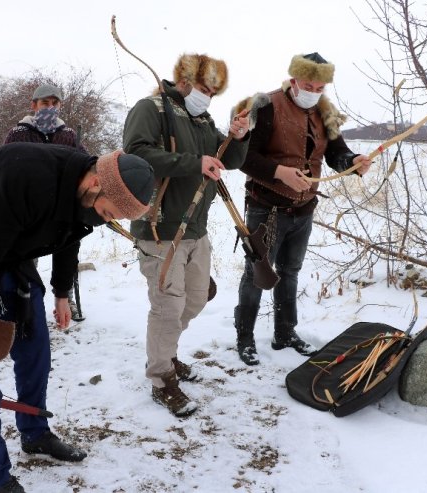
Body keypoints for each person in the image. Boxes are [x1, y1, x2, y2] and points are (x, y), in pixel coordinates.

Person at [0, 143, 154, 493]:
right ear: (96, 182)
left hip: (6, 254)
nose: (105, 220)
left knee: (35, 348)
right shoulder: (28, 178)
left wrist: (62, 292)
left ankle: (35, 433)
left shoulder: (82, 191)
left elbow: (71, 234)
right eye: (109, 212)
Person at [123, 53, 251, 417]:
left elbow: (230, 158)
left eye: (214, 91)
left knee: (195, 298)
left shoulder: (204, 120)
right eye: (204, 87)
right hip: (160, 229)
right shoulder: (151, 109)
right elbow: (136, 154)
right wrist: (194, 164)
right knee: (167, 307)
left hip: (196, 228)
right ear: (184, 80)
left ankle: (166, 352)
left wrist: (239, 137)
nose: (208, 95)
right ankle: (162, 378)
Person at [234, 52, 372, 366]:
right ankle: (244, 339)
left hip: (304, 209)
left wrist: (352, 163)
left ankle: (285, 333)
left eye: (321, 88)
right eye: (309, 85)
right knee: (257, 274)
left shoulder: (325, 113)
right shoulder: (266, 106)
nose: (314, 92)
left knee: (290, 273)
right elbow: (243, 157)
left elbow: (337, 152)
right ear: (294, 80)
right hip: (265, 208)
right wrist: (279, 173)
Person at [4, 83, 88, 322]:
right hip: (29, 211)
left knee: (68, 255)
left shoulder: (70, 136)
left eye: (54, 103)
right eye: (44, 103)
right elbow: (8, 169)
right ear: (33, 105)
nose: (50, 108)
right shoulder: (18, 134)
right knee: (26, 260)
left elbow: (85, 168)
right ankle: (26, 300)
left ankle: (66, 298)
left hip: (62, 209)